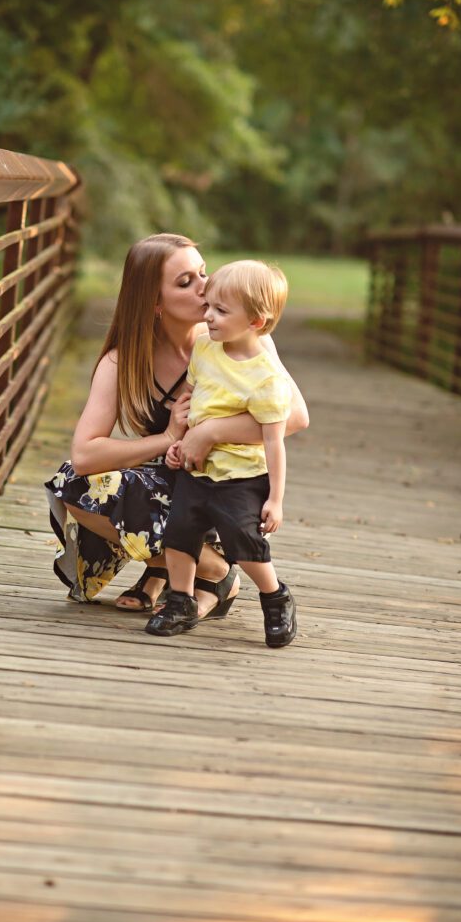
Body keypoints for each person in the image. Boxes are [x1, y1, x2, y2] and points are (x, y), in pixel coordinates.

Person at [45, 234, 309, 619]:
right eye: (186, 282)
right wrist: (167, 438)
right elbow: (84, 454)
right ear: (154, 303)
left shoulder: (241, 336)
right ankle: (213, 573)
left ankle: (173, 574)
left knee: (198, 494)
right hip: (169, 472)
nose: (205, 288)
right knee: (73, 485)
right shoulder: (124, 362)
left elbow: (296, 417)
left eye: (203, 273)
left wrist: (210, 432)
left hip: (228, 480)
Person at [146, 259, 297, 645]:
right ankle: (179, 601)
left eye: (220, 310)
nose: (207, 316)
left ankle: (275, 596)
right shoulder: (205, 348)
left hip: (242, 478)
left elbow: (273, 441)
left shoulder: (268, 378)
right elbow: (196, 399)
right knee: (179, 534)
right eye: (208, 305)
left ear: (256, 322)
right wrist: (179, 440)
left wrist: (276, 500)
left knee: (243, 540)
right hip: (196, 471)